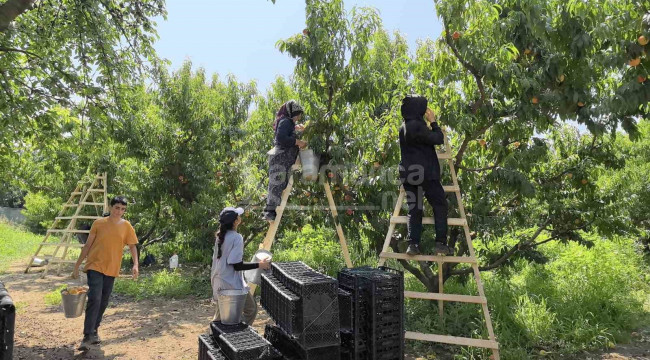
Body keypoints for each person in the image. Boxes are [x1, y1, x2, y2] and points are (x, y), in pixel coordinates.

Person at [72, 196, 139, 350]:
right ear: (110, 207)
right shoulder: (99, 223)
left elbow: (133, 246)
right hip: (95, 265)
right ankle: (87, 335)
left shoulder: (126, 226)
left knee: (103, 300)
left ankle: (94, 330)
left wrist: (135, 264)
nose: (119, 211)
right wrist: (77, 265)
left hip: (112, 268)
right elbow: (87, 245)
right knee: (95, 297)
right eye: (117, 208)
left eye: (123, 209)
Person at [398, 95, 451, 256]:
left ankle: (413, 244)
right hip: (426, 173)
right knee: (439, 205)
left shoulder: (403, 127)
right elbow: (438, 139)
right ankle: (441, 243)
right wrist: (433, 122)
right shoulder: (418, 126)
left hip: (408, 174)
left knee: (415, 209)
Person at [212, 207, 271, 325]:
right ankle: (236, 335)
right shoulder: (236, 237)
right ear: (235, 221)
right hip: (231, 284)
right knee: (251, 309)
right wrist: (260, 265)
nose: (240, 217)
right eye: (238, 216)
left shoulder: (220, 236)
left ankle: (218, 337)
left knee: (221, 317)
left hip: (218, 281)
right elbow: (237, 265)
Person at [262, 100, 307, 222]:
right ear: (291, 113)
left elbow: (287, 134)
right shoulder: (285, 121)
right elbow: (281, 138)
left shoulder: (288, 123)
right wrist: (298, 142)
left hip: (284, 159)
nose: (298, 118)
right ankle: (269, 213)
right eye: (297, 115)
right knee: (276, 184)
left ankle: (270, 212)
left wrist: (297, 130)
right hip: (280, 158)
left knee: (280, 184)